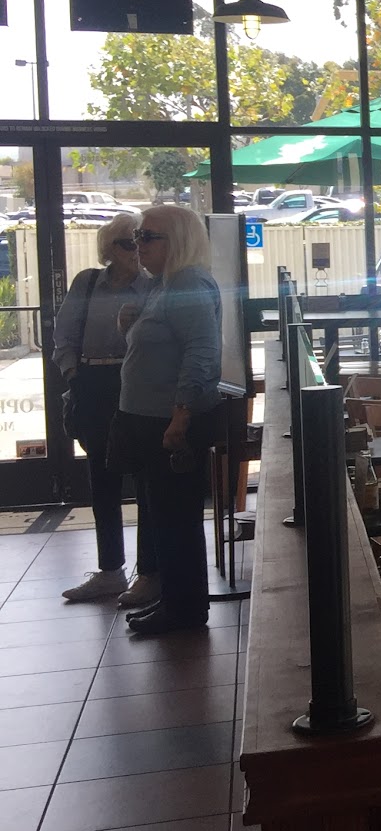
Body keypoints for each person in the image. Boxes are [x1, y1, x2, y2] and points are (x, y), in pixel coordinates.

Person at [111, 204, 221, 638]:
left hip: (171, 421)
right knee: (163, 517)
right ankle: (175, 598)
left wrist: (181, 413)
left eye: (148, 236)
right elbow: (156, 348)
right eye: (137, 237)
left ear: (178, 241)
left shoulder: (188, 282)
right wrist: (129, 327)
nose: (138, 245)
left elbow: (201, 351)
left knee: (176, 518)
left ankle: (185, 609)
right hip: (149, 418)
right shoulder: (164, 284)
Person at [54, 213, 157, 606]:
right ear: (109, 248)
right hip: (92, 384)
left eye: (140, 241)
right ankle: (111, 570)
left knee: (146, 481)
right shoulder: (87, 282)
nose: (136, 250)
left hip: (134, 382)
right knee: (102, 479)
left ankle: (149, 573)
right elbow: (64, 335)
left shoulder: (152, 285)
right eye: (128, 243)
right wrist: (73, 375)